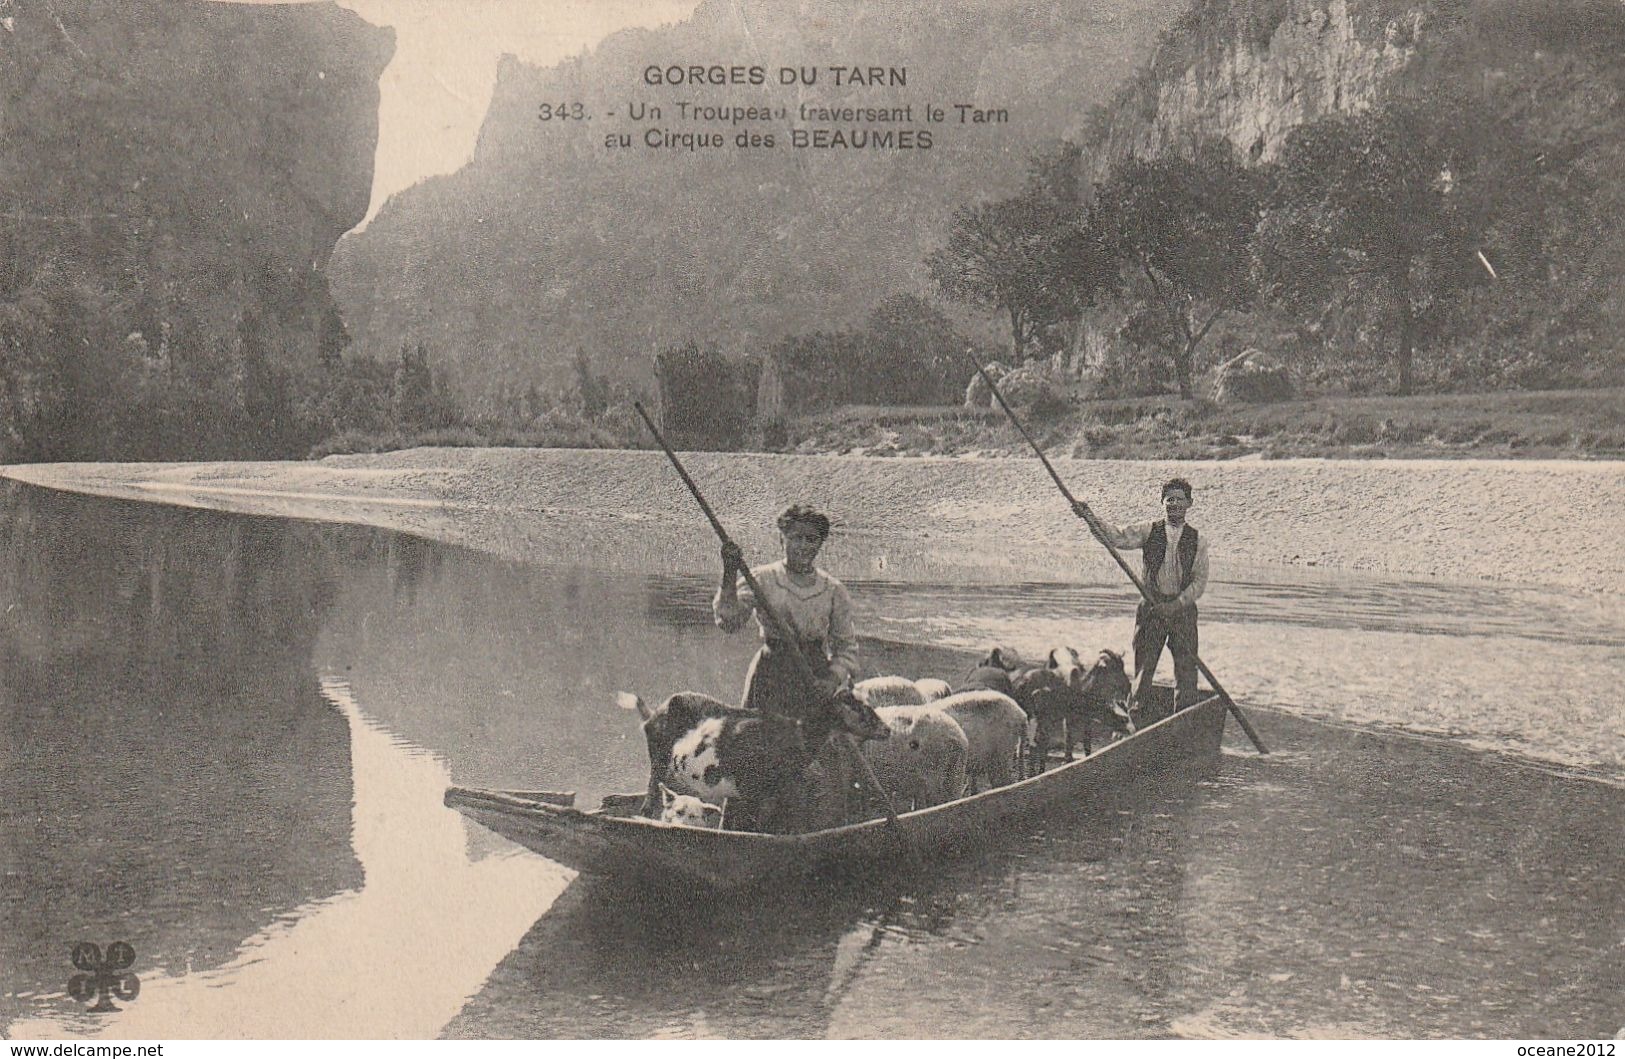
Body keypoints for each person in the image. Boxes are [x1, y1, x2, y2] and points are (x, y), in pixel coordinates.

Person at [1072, 478, 1208, 710]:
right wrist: (1089, 517)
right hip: (1152, 609)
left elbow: (1199, 581)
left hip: (1182, 612)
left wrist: (1176, 604)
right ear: (1162, 503)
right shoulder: (1148, 531)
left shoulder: (1198, 540)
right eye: (1169, 500)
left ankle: (1184, 724)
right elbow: (1116, 537)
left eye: (1179, 500)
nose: (1174, 504)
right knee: (1144, 671)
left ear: (1190, 504)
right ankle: (1136, 720)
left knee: (1186, 674)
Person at [714, 504, 860, 719]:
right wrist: (729, 571)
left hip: (814, 679)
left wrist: (831, 680)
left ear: (820, 544)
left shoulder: (833, 590)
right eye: (795, 538)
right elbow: (729, 622)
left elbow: (845, 648)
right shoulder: (762, 579)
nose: (802, 546)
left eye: (811, 539)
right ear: (782, 539)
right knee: (760, 741)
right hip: (770, 676)